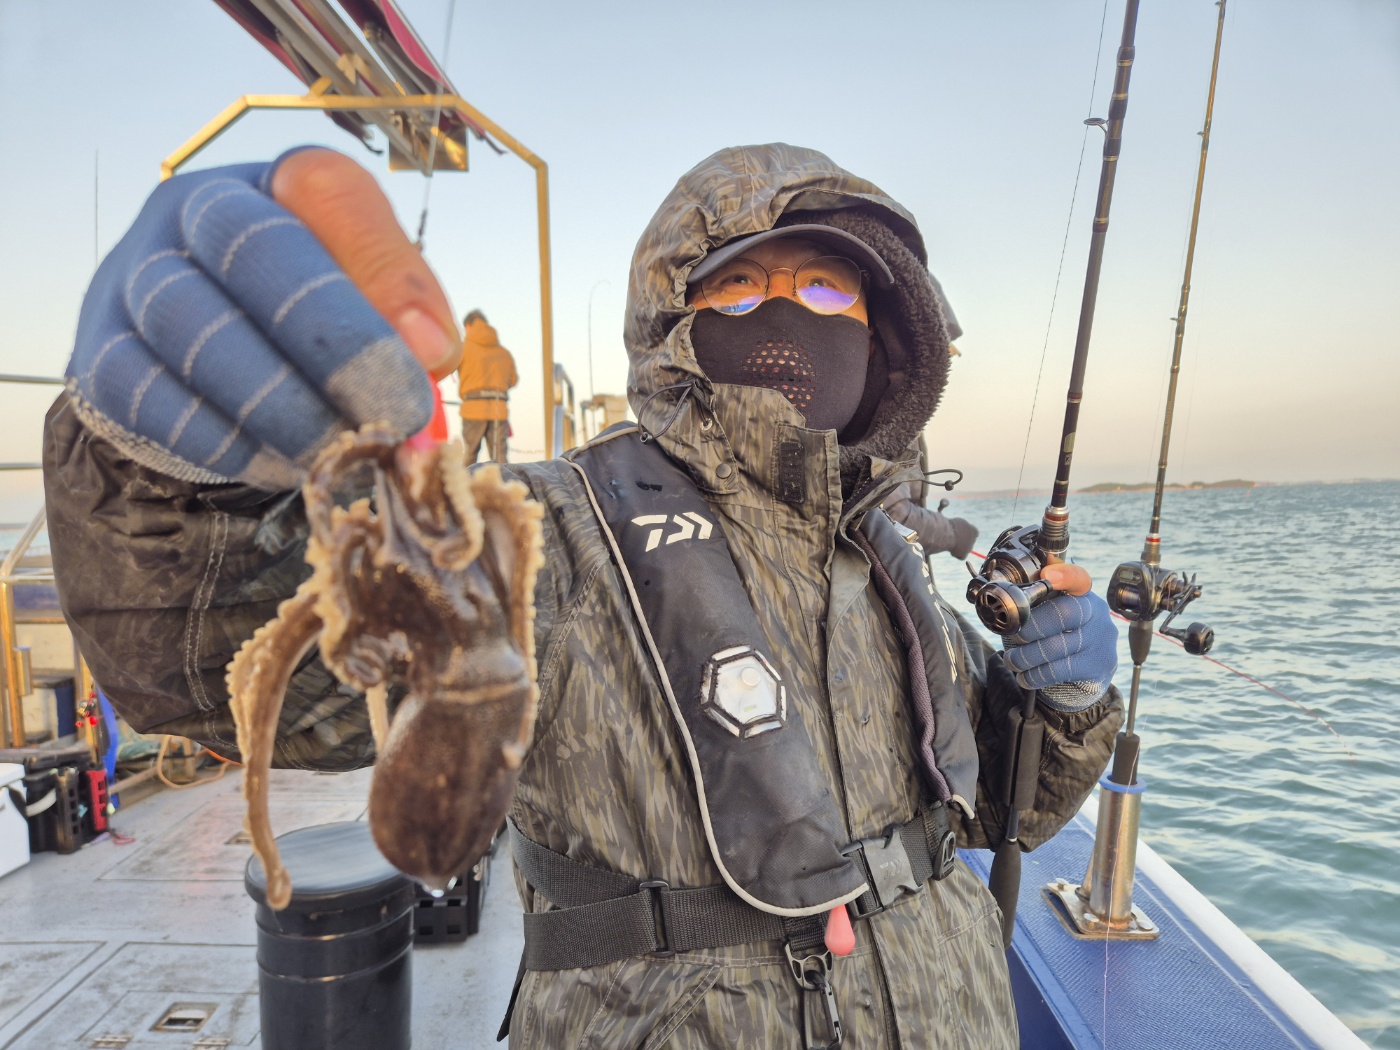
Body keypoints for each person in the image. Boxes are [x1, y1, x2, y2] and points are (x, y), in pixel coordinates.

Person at [43, 144, 1123, 1049]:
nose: (788, 311)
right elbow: (229, 665)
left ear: (884, 330)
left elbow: (1003, 812)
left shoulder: (892, 557)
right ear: (674, 323)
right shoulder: (550, 529)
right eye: (739, 287)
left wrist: (1063, 701)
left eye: (828, 287)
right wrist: (166, 487)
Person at [457, 309, 518, 463]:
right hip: (498, 409)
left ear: (468, 326)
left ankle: (465, 480)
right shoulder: (504, 352)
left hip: (473, 408)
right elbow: (513, 380)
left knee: (470, 455)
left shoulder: (463, 348)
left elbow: (447, 367)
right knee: (500, 458)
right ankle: (503, 480)